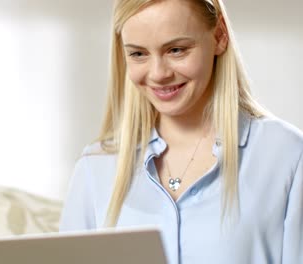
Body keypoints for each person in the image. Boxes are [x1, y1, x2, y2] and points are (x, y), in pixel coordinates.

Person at [59, 0, 303, 263]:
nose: (158, 74)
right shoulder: (95, 166)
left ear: (220, 36)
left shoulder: (287, 155)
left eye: (176, 50)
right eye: (138, 54)